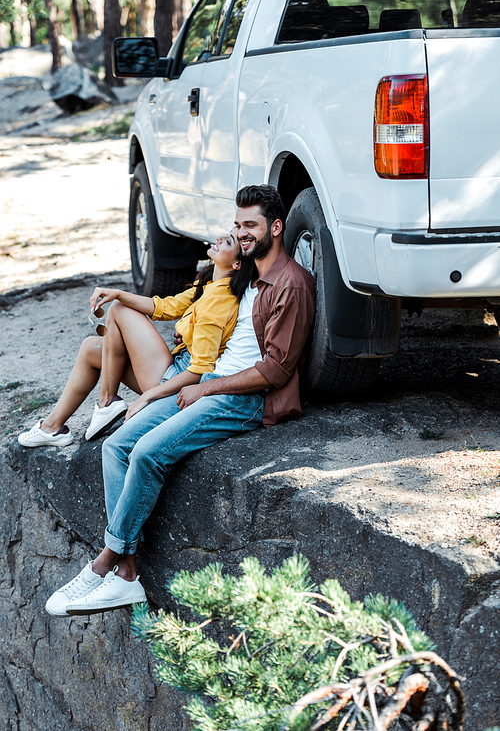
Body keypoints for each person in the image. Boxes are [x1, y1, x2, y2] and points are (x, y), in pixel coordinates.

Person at [45, 184, 316, 617]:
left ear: (276, 227)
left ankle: (104, 563)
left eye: (251, 225)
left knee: (148, 453)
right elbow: (197, 309)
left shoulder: (292, 285)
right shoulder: (243, 272)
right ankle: (128, 575)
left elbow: (276, 370)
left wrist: (205, 387)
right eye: (238, 225)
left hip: (240, 398)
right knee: (116, 446)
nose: (242, 234)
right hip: (207, 381)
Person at [18, 233, 254, 447]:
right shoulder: (208, 286)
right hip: (168, 370)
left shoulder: (219, 300)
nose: (221, 237)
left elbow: (201, 369)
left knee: (120, 310)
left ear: (236, 264)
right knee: (91, 348)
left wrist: (148, 396)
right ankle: (53, 428)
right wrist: (117, 292)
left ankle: (107, 403)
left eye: (229, 241)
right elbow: (162, 307)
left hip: (174, 382)